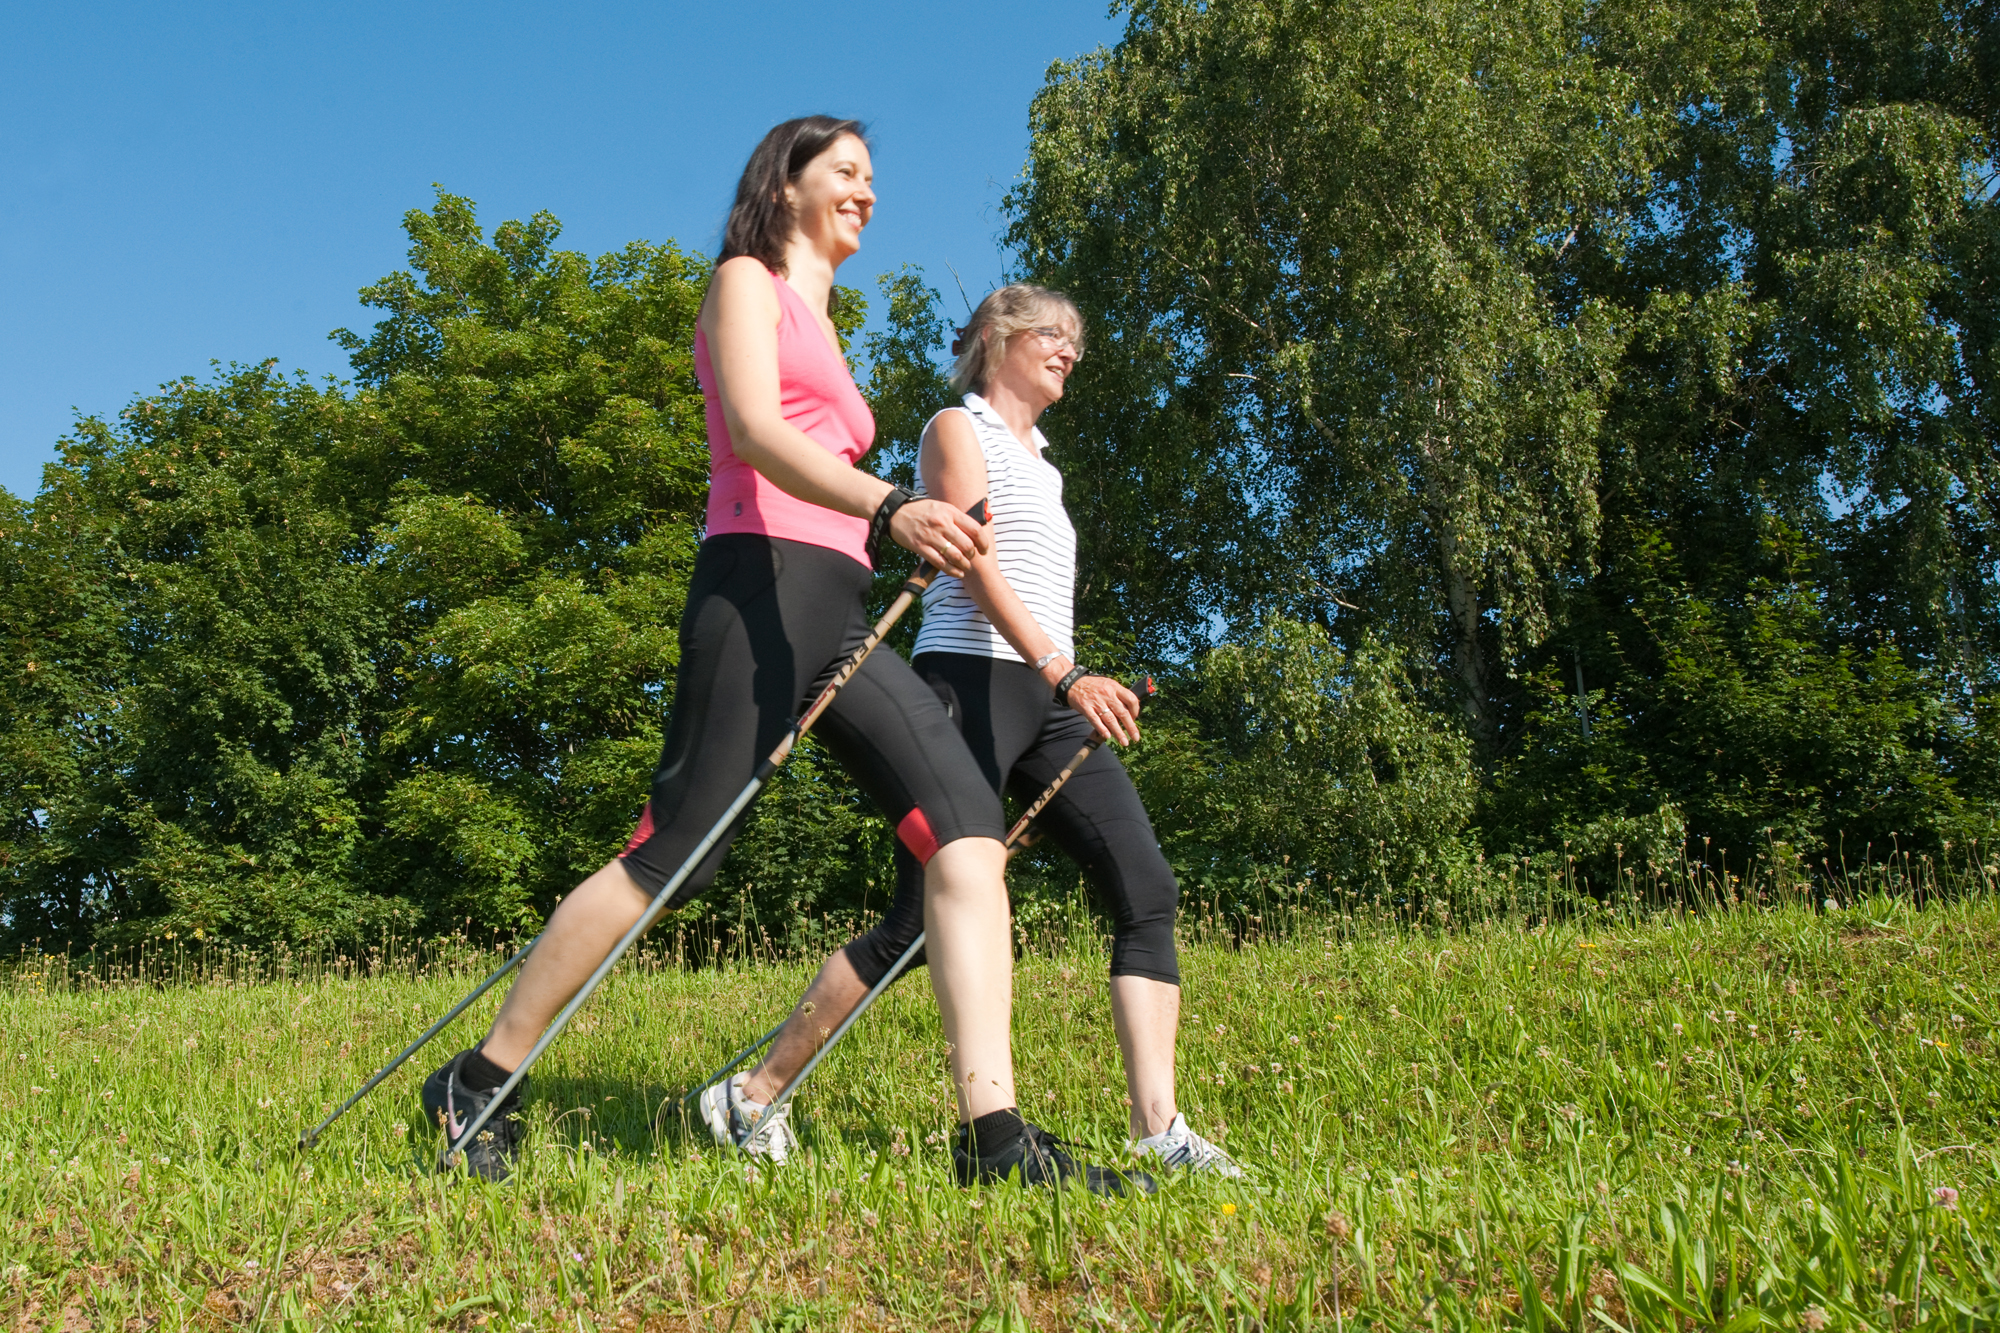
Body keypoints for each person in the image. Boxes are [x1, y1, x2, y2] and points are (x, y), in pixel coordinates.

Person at [420, 119, 1139, 1195]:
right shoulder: (743, 284)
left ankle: (997, 1142)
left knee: (968, 833)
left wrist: (895, 525)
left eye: (871, 178)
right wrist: (896, 504)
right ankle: (477, 1078)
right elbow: (756, 431)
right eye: (846, 172)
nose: (866, 193)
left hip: (835, 608)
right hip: (754, 585)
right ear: (786, 180)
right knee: (676, 856)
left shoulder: (824, 316)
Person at [711, 283, 1241, 1179]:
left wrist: (1067, 682)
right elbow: (978, 559)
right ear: (998, 340)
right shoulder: (958, 429)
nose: (1070, 351)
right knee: (920, 921)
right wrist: (1063, 671)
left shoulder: (1047, 462)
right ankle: (753, 1094)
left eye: (1077, 341)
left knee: (1145, 885)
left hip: (1048, 696)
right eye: (1052, 335)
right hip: (970, 682)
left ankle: (1160, 1129)